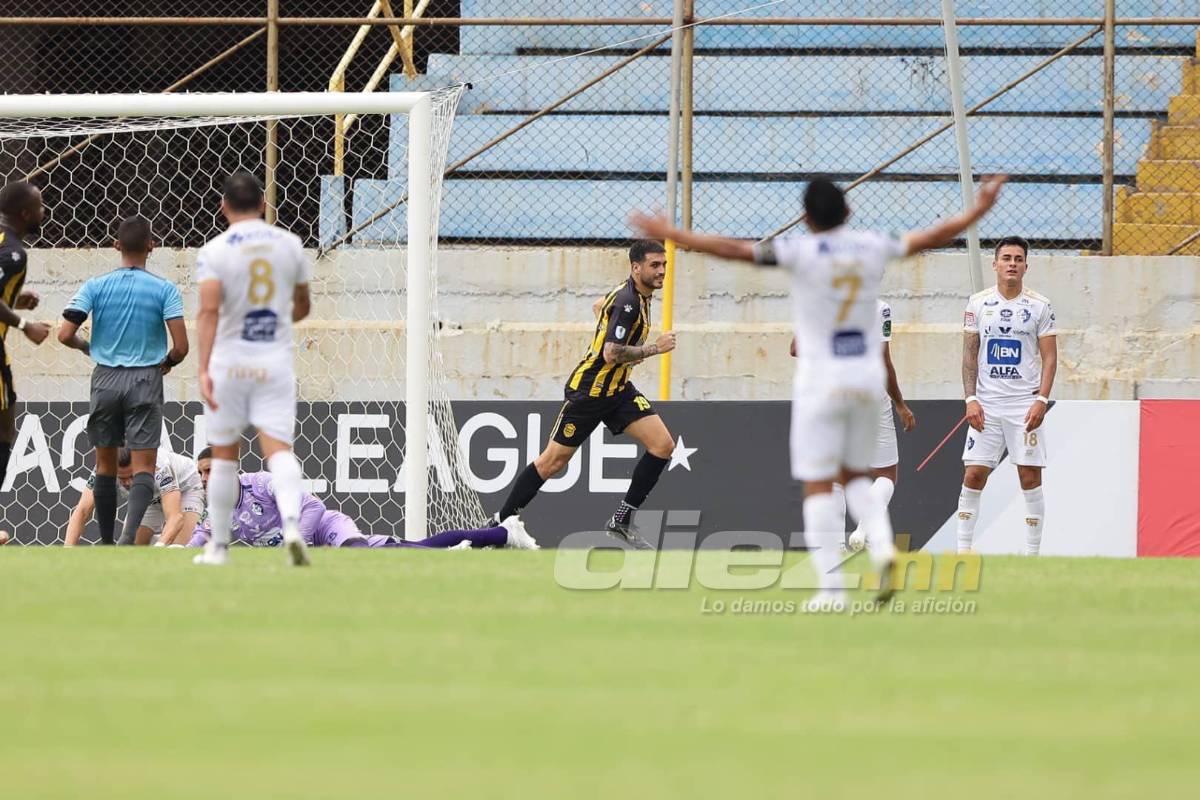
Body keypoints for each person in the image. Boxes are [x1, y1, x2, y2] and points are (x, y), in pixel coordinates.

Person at [632, 175, 1007, 610]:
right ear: (848, 211)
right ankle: (881, 546)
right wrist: (979, 209)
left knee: (819, 483)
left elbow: (734, 249)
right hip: (865, 379)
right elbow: (932, 236)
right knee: (857, 476)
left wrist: (672, 232)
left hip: (820, 380)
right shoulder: (871, 246)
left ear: (807, 218)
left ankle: (833, 591)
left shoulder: (800, 251)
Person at [492, 240, 678, 549]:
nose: (661, 271)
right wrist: (653, 349)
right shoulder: (629, 303)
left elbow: (599, 307)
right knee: (552, 462)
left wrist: (622, 342)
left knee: (663, 445)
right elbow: (611, 353)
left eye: (664, 265)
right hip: (590, 393)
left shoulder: (636, 296)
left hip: (618, 391)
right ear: (636, 268)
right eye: (654, 265)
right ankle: (500, 523)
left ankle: (621, 520)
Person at [193, 172, 311, 567]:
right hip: (273, 361)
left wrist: (202, 369)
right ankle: (292, 525)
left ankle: (219, 548)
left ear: (223, 206)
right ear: (263, 204)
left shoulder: (214, 251)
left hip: (229, 363)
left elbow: (209, 310)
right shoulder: (290, 244)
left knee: (225, 457)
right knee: (280, 451)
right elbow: (302, 306)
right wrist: (275, 320)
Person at [59, 215, 188, 545]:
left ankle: (106, 542)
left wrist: (88, 347)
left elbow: (64, 334)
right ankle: (128, 537)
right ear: (151, 246)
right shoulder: (165, 289)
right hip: (146, 378)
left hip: (105, 377)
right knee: (144, 466)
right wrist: (166, 364)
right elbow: (181, 347)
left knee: (105, 465)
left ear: (116, 245)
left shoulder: (95, 285)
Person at [956, 236, 1057, 555]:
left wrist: (1041, 400)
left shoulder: (1039, 306)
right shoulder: (978, 303)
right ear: (995, 264)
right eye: (1006, 258)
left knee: (1029, 476)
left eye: (1018, 259)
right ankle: (962, 551)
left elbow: (1050, 358)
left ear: (1026, 266)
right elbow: (969, 355)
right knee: (974, 474)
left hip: (1024, 405)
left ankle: (1031, 556)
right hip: (987, 405)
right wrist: (970, 399)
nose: (1012, 263)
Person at [792, 299, 917, 552]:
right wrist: (900, 404)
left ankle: (836, 546)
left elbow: (796, 348)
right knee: (886, 475)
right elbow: (884, 361)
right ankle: (864, 528)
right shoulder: (880, 307)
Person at [186, 470, 538, 550]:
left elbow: (313, 506)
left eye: (212, 471)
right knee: (411, 548)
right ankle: (503, 533)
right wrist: (176, 551)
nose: (205, 479)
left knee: (359, 553)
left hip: (326, 528)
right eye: (202, 474)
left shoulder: (263, 484)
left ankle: (470, 546)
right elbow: (201, 535)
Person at [0, 181, 51, 499]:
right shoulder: (14, 253)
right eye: (40, 206)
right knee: (5, 428)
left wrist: (14, 299)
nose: (44, 211)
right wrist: (24, 324)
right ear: (25, 214)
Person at [65, 448, 206, 547]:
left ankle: (160, 540)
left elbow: (175, 517)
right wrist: (68, 551)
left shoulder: (159, 466)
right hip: (149, 498)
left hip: (186, 488)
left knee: (178, 548)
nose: (128, 483)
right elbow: (82, 511)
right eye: (122, 478)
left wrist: (159, 547)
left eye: (132, 476)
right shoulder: (104, 469)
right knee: (131, 547)